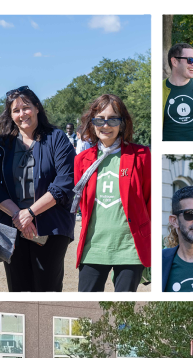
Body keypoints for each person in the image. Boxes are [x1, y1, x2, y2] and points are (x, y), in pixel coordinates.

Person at [0, 86, 76, 293]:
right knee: (18, 290)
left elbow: (65, 181)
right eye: (16, 110)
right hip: (12, 227)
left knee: (48, 289)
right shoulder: (2, 145)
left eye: (26, 108)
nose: (22, 114)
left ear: (36, 108)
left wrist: (31, 213)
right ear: (10, 115)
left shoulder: (56, 138)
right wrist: (19, 216)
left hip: (50, 226)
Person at [73, 94, 152, 294]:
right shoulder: (82, 160)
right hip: (94, 247)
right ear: (92, 123)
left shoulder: (141, 155)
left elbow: (149, 200)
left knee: (122, 310)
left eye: (113, 119)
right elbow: (83, 203)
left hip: (130, 248)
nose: (106, 125)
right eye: (100, 119)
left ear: (122, 123)